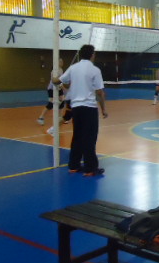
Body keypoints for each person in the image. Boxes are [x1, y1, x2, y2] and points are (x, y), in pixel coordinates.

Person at [55, 44, 108, 176]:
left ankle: (74, 166)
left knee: (77, 136)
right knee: (89, 138)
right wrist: (103, 109)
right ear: (92, 55)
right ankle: (90, 168)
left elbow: (59, 81)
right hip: (89, 108)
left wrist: (53, 79)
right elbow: (100, 92)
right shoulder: (94, 70)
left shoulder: (73, 68)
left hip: (76, 108)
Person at [37, 58, 66, 126]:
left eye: (62, 61)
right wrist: (62, 87)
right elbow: (54, 81)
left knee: (62, 101)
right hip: (52, 88)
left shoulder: (61, 70)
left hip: (58, 88)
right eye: (60, 61)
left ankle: (60, 118)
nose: (62, 63)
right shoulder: (54, 71)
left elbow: (61, 80)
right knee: (51, 104)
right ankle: (41, 117)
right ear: (57, 62)